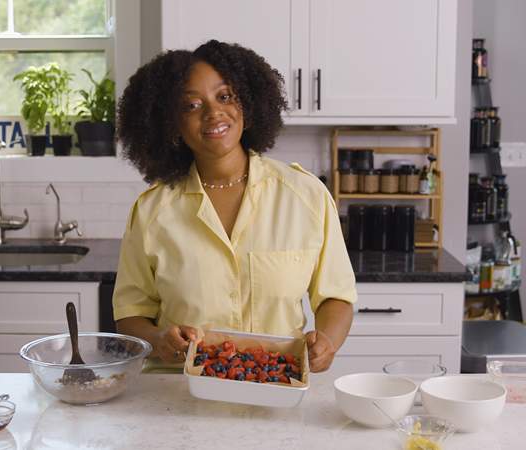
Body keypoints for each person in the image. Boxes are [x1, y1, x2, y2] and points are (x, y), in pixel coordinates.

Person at [113, 40, 356, 372]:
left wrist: (327, 341)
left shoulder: (305, 195)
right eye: (191, 105)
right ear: (171, 124)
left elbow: (335, 296)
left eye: (225, 96)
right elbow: (130, 315)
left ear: (248, 101)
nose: (214, 112)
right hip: (179, 398)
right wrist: (159, 340)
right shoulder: (152, 211)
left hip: (277, 389)